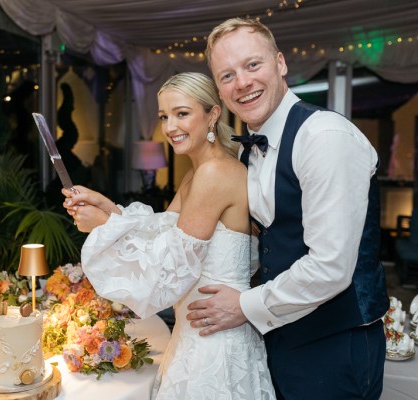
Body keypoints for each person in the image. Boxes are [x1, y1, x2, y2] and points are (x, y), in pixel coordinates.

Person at [186, 18, 389, 399]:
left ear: (280, 63)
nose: (242, 83)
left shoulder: (323, 137)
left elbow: (330, 266)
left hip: (335, 345)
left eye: (252, 65)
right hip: (282, 336)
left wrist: (244, 306)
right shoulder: (252, 149)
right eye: (227, 75)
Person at [62, 72, 275, 399]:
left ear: (213, 114)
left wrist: (104, 227)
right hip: (196, 333)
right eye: (164, 116)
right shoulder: (199, 172)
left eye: (182, 113)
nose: (170, 126)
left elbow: (170, 268)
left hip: (214, 345)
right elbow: (161, 229)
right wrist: (107, 208)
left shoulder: (215, 173)